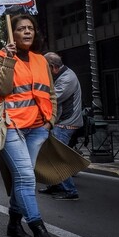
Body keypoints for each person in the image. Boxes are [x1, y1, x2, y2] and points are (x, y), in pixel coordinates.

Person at [0, 14, 59, 237]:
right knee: (27, 177)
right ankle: (39, 230)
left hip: (38, 129)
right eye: (21, 29)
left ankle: (13, 223)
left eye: (30, 28)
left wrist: (51, 120)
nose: (27, 32)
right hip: (10, 127)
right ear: (12, 34)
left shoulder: (41, 61)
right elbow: (3, 88)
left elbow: (51, 94)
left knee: (22, 178)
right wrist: (9, 58)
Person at [39, 52, 83, 201]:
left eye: (45, 69)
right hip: (60, 122)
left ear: (53, 68)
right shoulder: (59, 76)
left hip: (66, 123)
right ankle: (56, 185)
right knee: (51, 155)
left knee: (57, 156)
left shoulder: (67, 78)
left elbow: (52, 99)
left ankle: (70, 190)